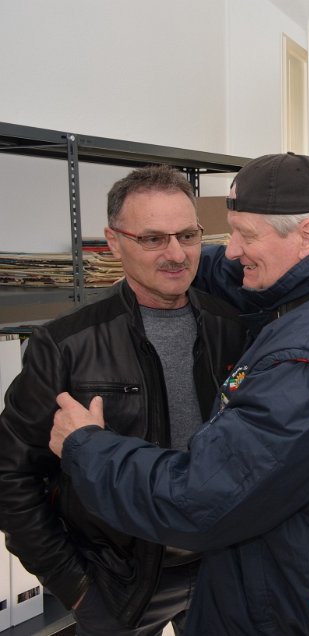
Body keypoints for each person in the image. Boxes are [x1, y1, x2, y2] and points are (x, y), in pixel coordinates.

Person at [48, 152, 309, 635]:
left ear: (307, 236)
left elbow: (201, 499)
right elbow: (229, 270)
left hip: (289, 609)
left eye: (245, 235)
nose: (232, 251)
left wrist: (87, 448)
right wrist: (175, 258)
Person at [0, 165, 246, 635]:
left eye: (187, 235)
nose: (176, 254)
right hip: (118, 581)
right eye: (152, 239)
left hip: (220, 566)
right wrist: (75, 586)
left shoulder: (231, 328)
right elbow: (11, 472)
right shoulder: (67, 344)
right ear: (114, 242)